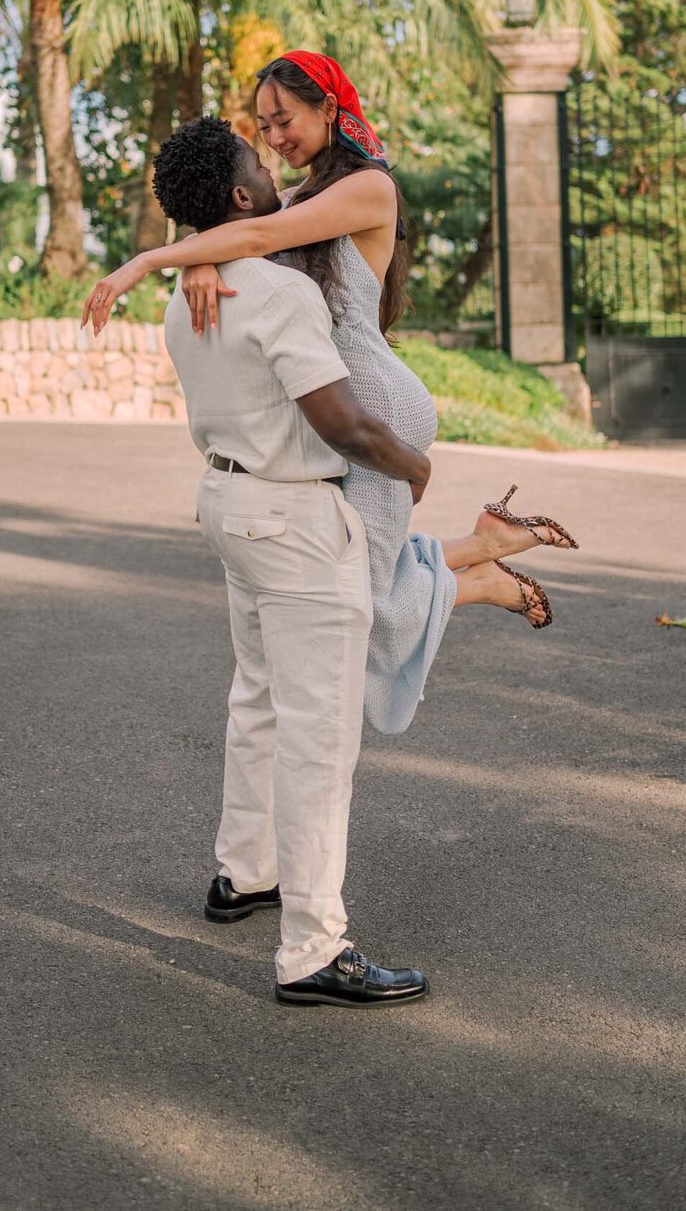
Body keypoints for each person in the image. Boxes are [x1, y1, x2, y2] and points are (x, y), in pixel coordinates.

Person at [83, 53, 578, 735]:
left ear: (329, 109)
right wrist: (203, 253)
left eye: (284, 120)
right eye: (263, 126)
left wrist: (150, 259)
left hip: (376, 409)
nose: (275, 138)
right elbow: (241, 225)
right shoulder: (297, 197)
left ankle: (486, 581)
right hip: (334, 411)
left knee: (366, 602)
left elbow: (255, 233)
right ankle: (484, 542)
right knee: (354, 575)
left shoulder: (369, 188)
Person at [153, 117, 431, 1007]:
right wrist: (411, 465)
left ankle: (244, 873)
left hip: (229, 503)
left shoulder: (187, 294)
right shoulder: (279, 293)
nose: (273, 164)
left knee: (260, 698)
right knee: (319, 739)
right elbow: (339, 421)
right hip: (295, 520)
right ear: (242, 196)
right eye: (257, 159)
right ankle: (313, 949)